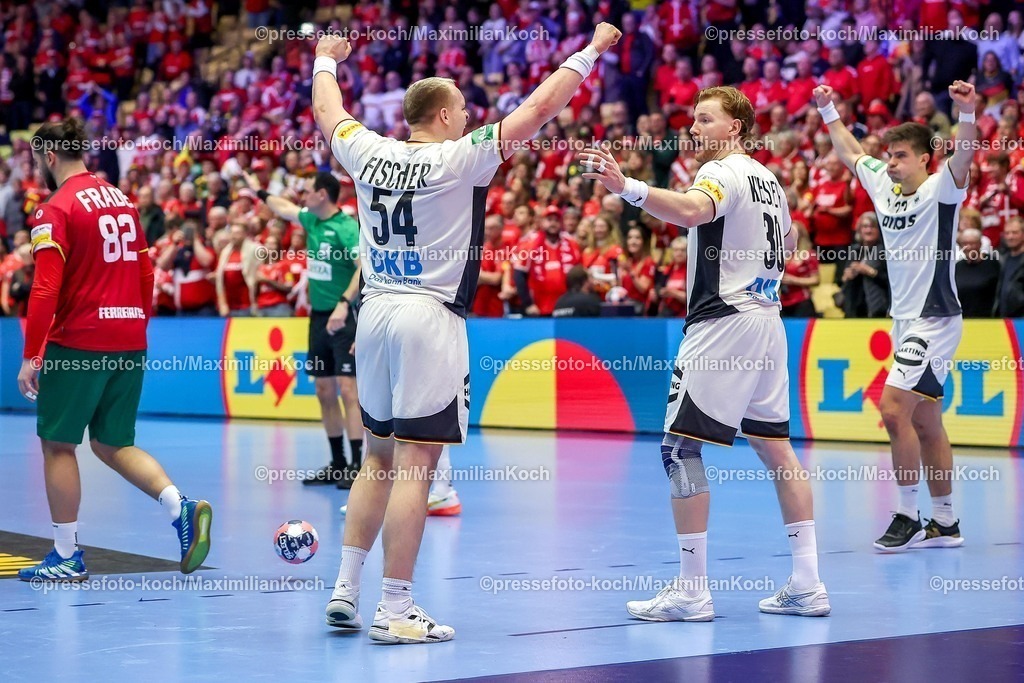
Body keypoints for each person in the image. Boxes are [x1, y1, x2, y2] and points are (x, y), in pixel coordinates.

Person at [313, 24, 622, 643]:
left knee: (377, 455)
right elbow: (538, 108)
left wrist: (324, 57)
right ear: (447, 114)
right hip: (429, 317)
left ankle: (346, 588)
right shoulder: (463, 154)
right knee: (417, 464)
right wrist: (591, 50)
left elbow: (329, 111)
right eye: (462, 109)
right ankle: (395, 606)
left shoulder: (368, 150)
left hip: (373, 313)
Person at [580, 85, 830, 620]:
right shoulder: (771, 182)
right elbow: (785, 246)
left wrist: (629, 187)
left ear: (735, 127)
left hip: (722, 322)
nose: (694, 129)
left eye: (706, 119)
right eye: (694, 120)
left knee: (678, 450)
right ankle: (808, 583)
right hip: (766, 319)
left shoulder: (721, 171)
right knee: (776, 449)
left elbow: (694, 211)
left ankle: (692, 592)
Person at [16, 118, 212, 581]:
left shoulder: (56, 208)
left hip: (79, 341)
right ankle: (179, 507)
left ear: (48, 156)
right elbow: (146, 276)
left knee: (58, 444)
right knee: (112, 442)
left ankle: (66, 555)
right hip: (128, 340)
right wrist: (135, 325)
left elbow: (44, 289)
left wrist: (31, 355)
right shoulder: (123, 201)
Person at [815, 80, 976, 551]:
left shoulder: (943, 190)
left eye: (901, 154)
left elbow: (964, 154)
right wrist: (829, 110)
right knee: (926, 422)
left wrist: (966, 112)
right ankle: (946, 523)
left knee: (891, 410)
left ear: (926, 158)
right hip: (905, 320)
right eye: (889, 154)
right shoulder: (883, 184)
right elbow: (848, 151)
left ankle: (907, 513)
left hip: (936, 317)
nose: (891, 161)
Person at [248, 172, 363, 490]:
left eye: (308, 191)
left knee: (349, 391)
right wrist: (259, 191)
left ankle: (356, 465)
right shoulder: (311, 221)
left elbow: (363, 268)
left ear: (323, 195)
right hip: (317, 318)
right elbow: (282, 207)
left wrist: (343, 303)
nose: (303, 196)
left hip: (345, 316)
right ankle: (337, 463)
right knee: (324, 391)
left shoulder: (345, 228)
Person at [954, 228, 1000, 317]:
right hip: (963, 319)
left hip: (989, 320)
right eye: (965, 244)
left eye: (972, 243)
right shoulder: (958, 267)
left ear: (980, 244)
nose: (969, 247)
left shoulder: (992, 263)